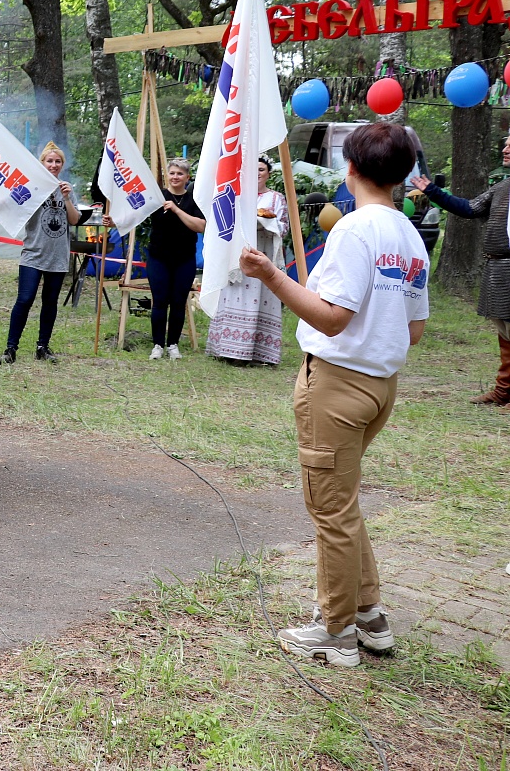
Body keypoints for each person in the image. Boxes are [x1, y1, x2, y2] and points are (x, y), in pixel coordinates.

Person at [240, 122, 427, 668]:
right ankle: (369, 615)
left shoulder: (353, 230)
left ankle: (335, 629)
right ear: (404, 174)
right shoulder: (408, 232)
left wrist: (271, 275)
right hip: (380, 387)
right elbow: (413, 329)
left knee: (330, 509)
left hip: (339, 384)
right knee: (342, 504)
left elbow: (334, 318)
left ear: (350, 168)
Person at [411, 134, 510, 406]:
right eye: (505, 142)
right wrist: (433, 191)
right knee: (504, 333)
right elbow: (468, 208)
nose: (505, 147)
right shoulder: (502, 188)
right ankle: (504, 391)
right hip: (499, 268)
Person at [0, 142, 83, 365]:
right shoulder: (32, 187)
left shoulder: (66, 189)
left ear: (62, 165)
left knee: (50, 302)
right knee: (24, 299)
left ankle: (42, 346)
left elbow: (74, 220)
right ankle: (10, 348)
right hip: (33, 253)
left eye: (57, 161)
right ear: (41, 163)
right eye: (49, 161)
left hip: (58, 255)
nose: (53, 165)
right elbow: (10, 203)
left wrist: (65, 198)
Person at [207, 156, 290, 366]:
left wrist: (266, 223)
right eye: (254, 169)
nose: (258, 173)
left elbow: (284, 227)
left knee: (259, 296)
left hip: (262, 252)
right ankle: (227, 347)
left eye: (262, 169)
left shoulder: (275, 198)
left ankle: (257, 352)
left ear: (268, 173)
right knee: (234, 294)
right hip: (239, 252)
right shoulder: (237, 196)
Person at [146, 158, 206, 360]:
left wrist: (176, 209)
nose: (175, 177)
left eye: (180, 174)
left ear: (187, 177)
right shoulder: (158, 197)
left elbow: (200, 226)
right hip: (159, 257)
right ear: (167, 175)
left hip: (184, 259)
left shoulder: (193, 199)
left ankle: (173, 344)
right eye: (172, 173)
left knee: (179, 302)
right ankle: (157, 345)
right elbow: (137, 213)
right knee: (160, 301)